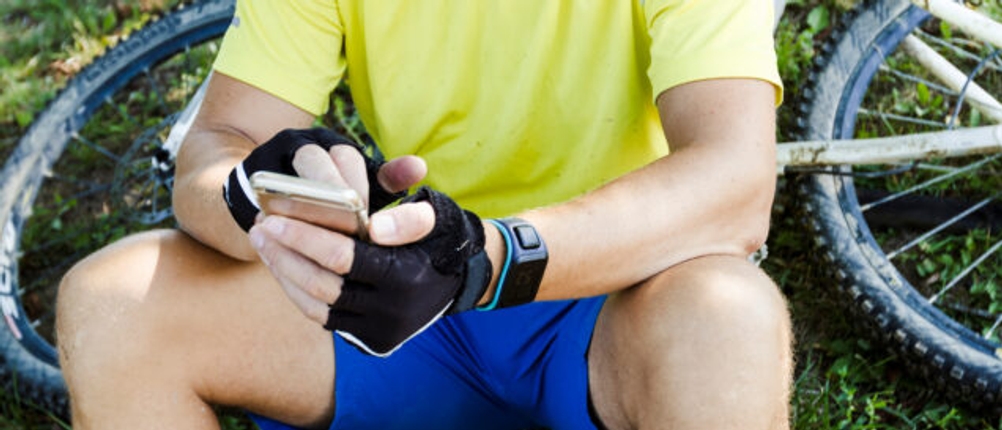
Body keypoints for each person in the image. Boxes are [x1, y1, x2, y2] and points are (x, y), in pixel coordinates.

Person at [56, 0, 792, 429]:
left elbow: (733, 179)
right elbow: (213, 155)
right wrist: (268, 187)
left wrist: (487, 259)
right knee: (114, 305)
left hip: (613, 304)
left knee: (727, 318)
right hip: (404, 302)